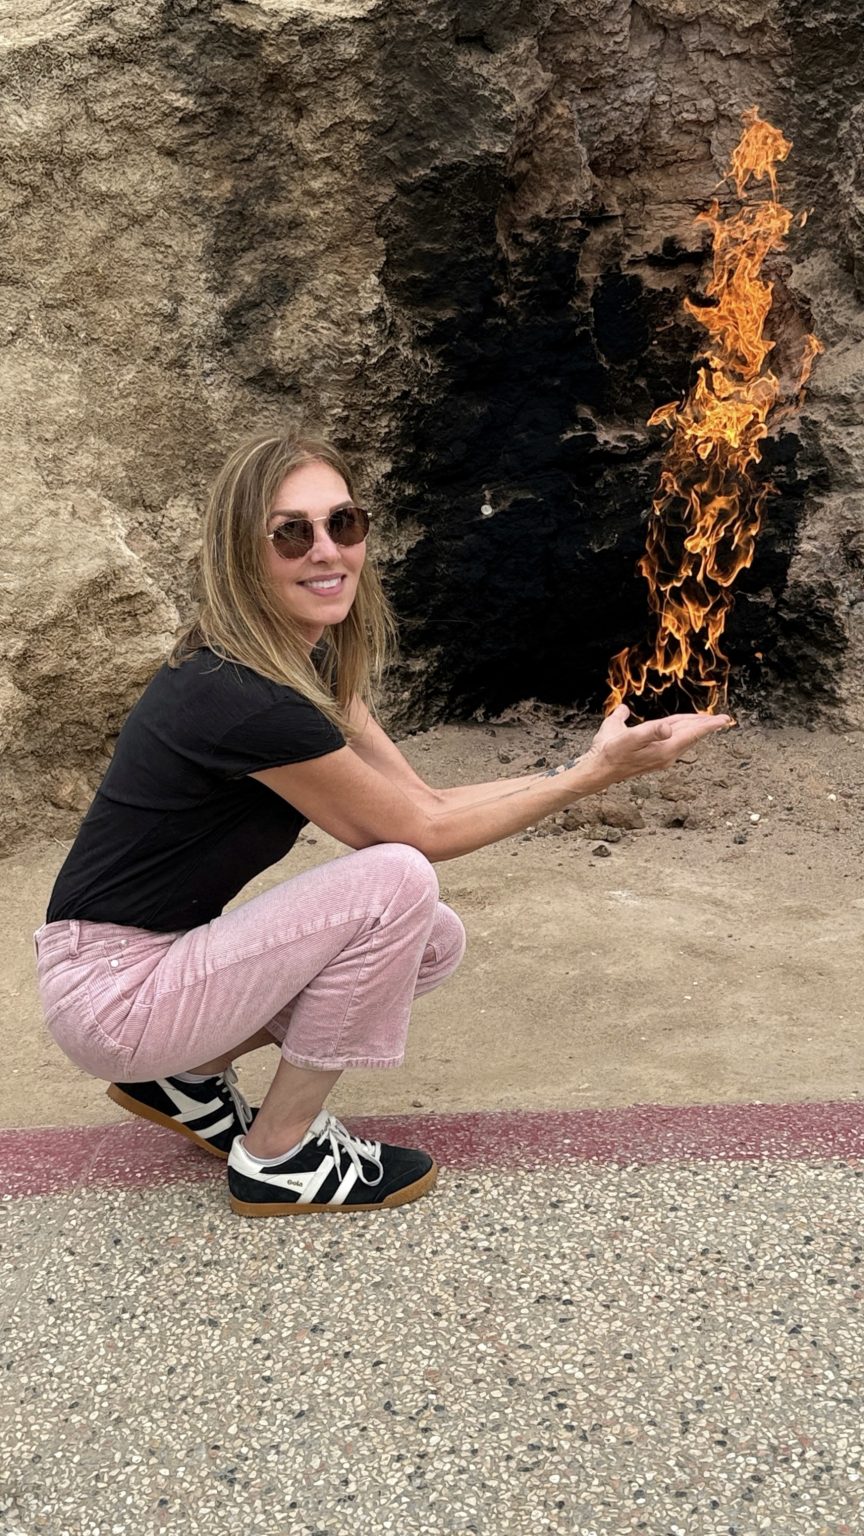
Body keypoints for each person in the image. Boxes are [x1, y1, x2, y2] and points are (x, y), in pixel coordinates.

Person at [33, 431, 730, 1218]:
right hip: (113, 992)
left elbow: (422, 803)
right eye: (291, 532)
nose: (326, 551)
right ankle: (280, 1155)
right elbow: (417, 839)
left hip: (154, 969)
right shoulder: (243, 697)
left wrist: (584, 765)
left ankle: (182, 1076)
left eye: (344, 524)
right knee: (397, 880)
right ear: (241, 553)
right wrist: (597, 777)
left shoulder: (304, 666)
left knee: (430, 937)